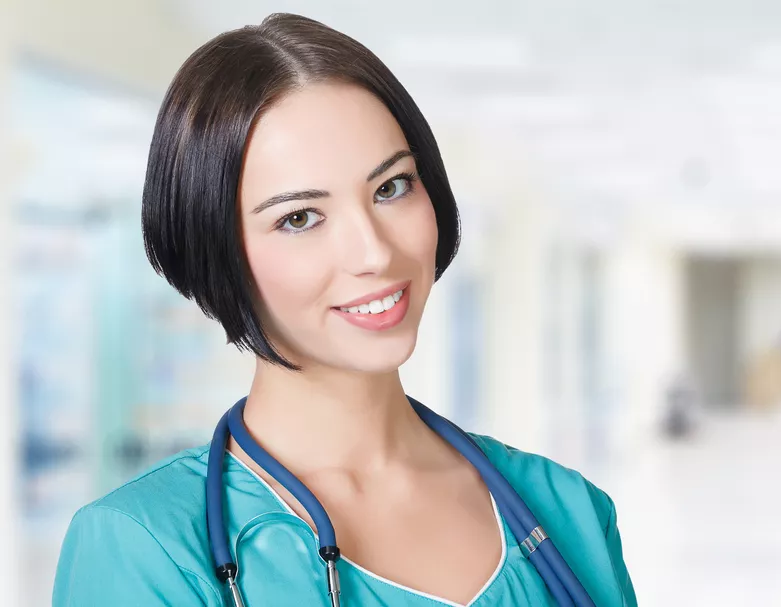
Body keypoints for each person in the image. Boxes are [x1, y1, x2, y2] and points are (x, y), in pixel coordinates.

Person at [52, 14, 636, 606]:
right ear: (215, 253)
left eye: (392, 187)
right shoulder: (142, 547)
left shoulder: (568, 512)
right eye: (299, 218)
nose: (375, 252)